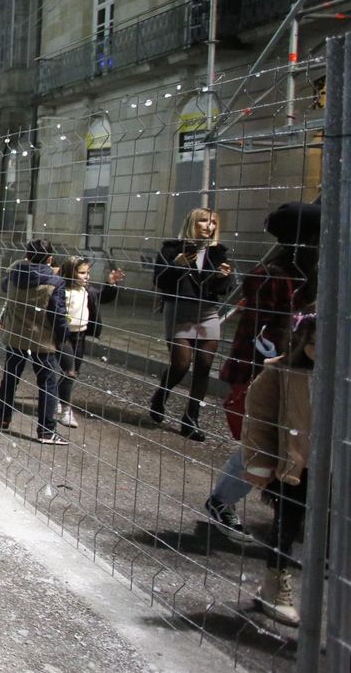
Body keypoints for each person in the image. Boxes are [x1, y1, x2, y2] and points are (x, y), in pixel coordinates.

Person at [204, 201, 319, 541]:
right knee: (265, 441)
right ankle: (222, 500)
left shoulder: (310, 269)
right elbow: (266, 331)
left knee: (299, 442)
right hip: (273, 370)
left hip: (306, 369)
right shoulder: (273, 274)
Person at [241, 311, 316, 626]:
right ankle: (275, 583)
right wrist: (261, 464)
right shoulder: (283, 373)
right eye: (314, 343)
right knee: (287, 523)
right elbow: (258, 418)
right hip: (298, 463)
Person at [149, 207, 233, 441]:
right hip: (179, 311)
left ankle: (191, 418)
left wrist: (223, 277)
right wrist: (176, 265)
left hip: (207, 312)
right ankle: (160, 395)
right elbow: (159, 280)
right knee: (181, 364)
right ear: (193, 223)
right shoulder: (172, 249)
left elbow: (223, 290)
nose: (209, 226)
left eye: (213, 222)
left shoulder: (218, 253)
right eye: (204, 221)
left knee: (205, 364)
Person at [0, 238, 68, 445]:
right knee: (47, 383)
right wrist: (62, 338)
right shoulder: (56, 282)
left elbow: (3, 287)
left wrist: (20, 264)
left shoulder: (14, 273)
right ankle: (46, 430)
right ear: (50, 258)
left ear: (27, 255)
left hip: (16, 336)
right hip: (42, 340)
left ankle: (3, 419)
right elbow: (58, 315)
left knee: (10, 378)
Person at [47, 256, 123, 428]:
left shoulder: (87, 290)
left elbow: (103, 297)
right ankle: (66, 410)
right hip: (63, 336)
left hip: (80, 336)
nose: (86, 276)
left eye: (88, 272)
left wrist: (111, 284)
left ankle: (59, 399)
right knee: (69, 371)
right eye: (82, 273)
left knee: (73, 372)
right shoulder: (61, 289)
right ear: (70, 272)